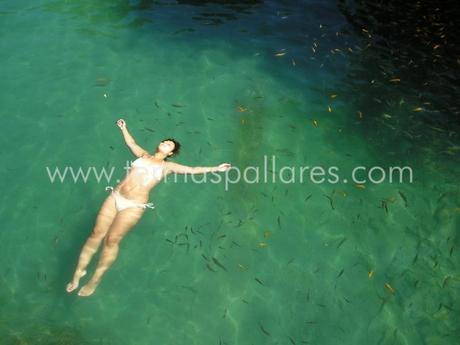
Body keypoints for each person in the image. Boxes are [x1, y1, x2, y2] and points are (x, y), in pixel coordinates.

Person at [66, 119, 231, 296]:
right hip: (115, 196)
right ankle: (78, 272)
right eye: (164, 141)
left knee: (111, 240)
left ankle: (95, 279)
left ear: (171, 152)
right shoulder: (143, 155)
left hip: (133, 206)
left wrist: (216, 168)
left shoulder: (168, 166)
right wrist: (124, 128)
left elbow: (192, 170)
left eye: (169, 144)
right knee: (96, 232)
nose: (164, 143)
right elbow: (131, 143)